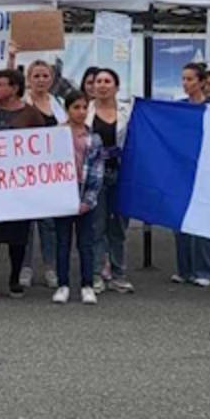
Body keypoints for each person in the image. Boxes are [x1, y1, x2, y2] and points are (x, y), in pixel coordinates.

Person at [0, 69, 44, 298]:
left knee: (18, 234)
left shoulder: (31, 115)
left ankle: (15, 278)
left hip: (18, 185)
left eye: (1, 84)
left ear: (15, 88)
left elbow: (43, 146)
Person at [53, 90, 104, 305]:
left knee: (86, 243)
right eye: (76, 107)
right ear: (67, 109)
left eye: (84, 108)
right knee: (62, 242)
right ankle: (63, 284)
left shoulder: (94, 138)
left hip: (84, 192)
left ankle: (87, 285)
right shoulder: (55, 134)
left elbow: (97, 171)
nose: (81, 112)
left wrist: (88, 201)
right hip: (62, 194)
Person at [19, 58, 66, 289]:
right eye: (36, 76)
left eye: (45, 76)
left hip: (50, 174)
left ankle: (50, 268)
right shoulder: (21, 104)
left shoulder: (59, 104)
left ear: (52, 79)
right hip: (26, 173)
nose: (40, 80)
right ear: (28, 79)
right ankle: (25, 268)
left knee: (48, 225)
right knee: (26, 224)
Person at [87, 68, 134, 294]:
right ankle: (96, 274)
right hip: (94, 177)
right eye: (98, 81)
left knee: (118, 229)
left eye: (107, 81)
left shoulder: (129, 112)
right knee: (96, 227)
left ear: (116, 87)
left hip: (121, 175)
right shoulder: (84, 110)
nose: (102, 85)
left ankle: (118, 275)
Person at [171, 63, 210, 288]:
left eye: (190, 79)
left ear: (201, 82)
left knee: (204, 221)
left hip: (207, 169)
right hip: (182, 170)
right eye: (183, 79)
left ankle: (205, 270)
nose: (185, 83)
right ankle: (184, 269)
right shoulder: (178, 108)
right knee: (180, 221)